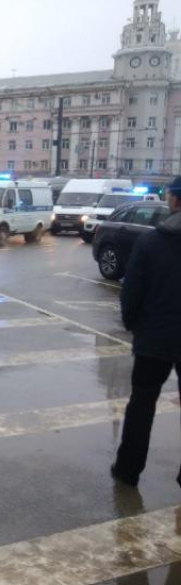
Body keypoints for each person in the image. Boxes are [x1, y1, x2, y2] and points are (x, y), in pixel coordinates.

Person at [111, 177, 181, 488]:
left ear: (175, 201)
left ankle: (128, 470)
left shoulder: (152, 242)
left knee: (141, 404)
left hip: (155, 338)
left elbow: (131, 293)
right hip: (157, 334)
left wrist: (135, 326)